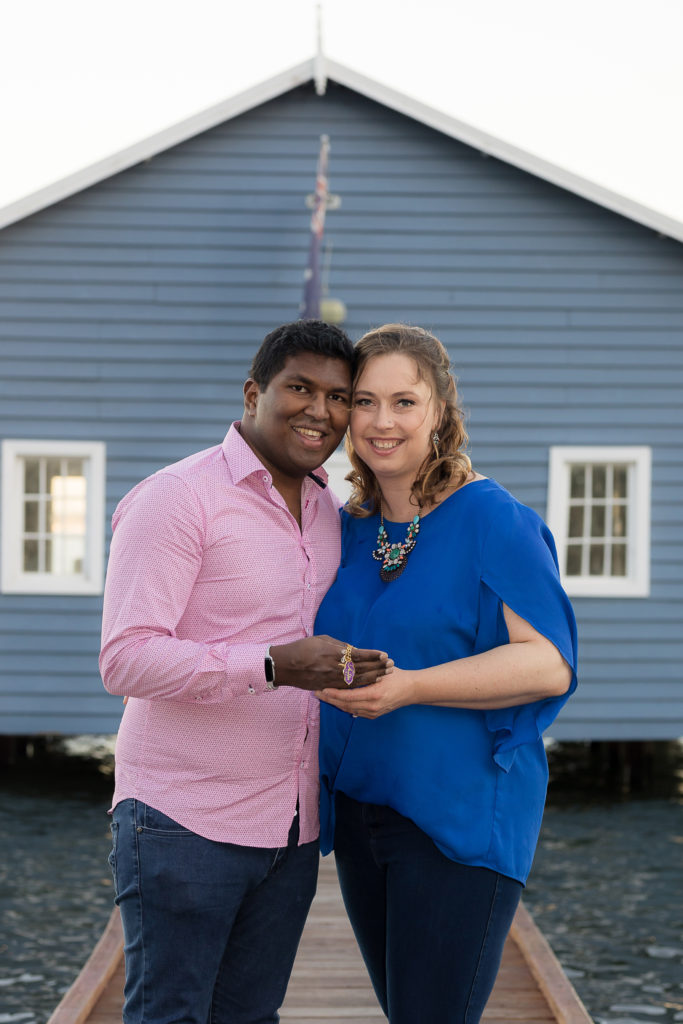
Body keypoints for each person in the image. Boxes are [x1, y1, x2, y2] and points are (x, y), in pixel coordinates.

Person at [99, 319, 391, 1024]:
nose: (319, 411)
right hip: (182, 820)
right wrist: (270, 664)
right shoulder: (178, 497)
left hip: (290, 830)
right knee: (171, 1016)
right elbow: (125, 656)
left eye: (337, 396)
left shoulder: (329, 509)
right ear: (254, 391)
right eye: (299, 388)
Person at [314, 323, 578, 1024]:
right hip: (364, 809)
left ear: (439, 410)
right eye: (364, 402)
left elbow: (547, 663)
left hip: (458, 818)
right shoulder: (350, 526)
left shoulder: (494, 519)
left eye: (403, 402)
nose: (380, 422)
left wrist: (411, 686)